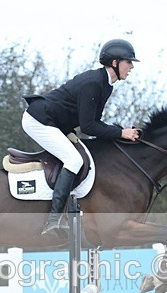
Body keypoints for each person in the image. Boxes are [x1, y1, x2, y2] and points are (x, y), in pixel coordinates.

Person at [22, 39, 141, 235]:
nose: (131, 67)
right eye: (128, 62)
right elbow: (89, 127)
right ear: (115, 62)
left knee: (80, 155)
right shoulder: (94, 83)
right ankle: (53, 220)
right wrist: (121, 133)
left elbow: (95, 122)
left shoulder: (106, 85)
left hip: (56, 123)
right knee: (74, 159)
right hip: (39, 121)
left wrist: (121, 133)